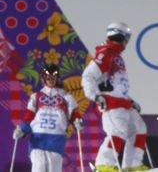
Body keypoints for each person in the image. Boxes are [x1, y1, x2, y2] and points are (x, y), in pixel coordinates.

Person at [81, 22, 149, 172]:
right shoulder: (106, 53)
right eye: (127, 37)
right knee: (117, 132)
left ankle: (132, 165)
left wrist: (130, 101)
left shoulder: (115, 55)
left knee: (139, 129)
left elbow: (118, 85)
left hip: (122, 102)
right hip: (111, 102)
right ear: (120, 35)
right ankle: (103, 165)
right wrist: (96, 96)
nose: (127, 41)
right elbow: (88, 76)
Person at [12, 64, 83, 172]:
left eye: (54, 78)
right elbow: (28, 118)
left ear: (58, 78)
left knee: (53, 168)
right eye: (48, 78)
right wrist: (22, 130)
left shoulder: (67, 97)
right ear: (43, 79)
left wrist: (78, 122)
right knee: (38, 167)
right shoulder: (36, 96)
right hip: (37, 138)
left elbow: (75, 116)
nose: (51, 80)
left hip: (56, 139)